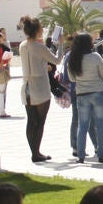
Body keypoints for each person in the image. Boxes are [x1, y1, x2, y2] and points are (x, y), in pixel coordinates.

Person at [65, 31, 103, 163]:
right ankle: (101, 154)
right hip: (98, 92)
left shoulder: (72, 59)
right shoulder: (95, 57)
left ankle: (81, 155)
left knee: (82, 125)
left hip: (82, 94)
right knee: (100, 124)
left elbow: (72, 79)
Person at [18, 15, 58, 162]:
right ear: (37, 30)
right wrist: (59, 45)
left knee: (31, 120)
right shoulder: (40, 47)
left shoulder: (22, 46)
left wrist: (43, 66)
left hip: (26, 85)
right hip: (39, 86)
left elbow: (33, 63)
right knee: (40, 121)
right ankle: (37, 153)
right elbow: (57, 60)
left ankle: (33, 152)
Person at [0, 28, 14, 118]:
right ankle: (2, 112)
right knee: (1, 92)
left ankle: (0, 111)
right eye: (1, 37)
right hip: (0, 71)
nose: (3, 38)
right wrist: (5, 60)